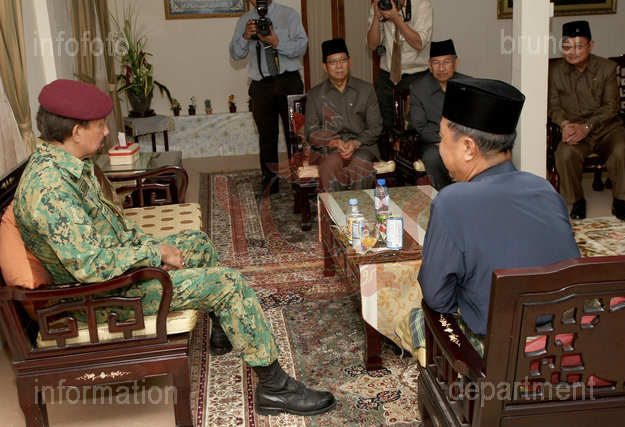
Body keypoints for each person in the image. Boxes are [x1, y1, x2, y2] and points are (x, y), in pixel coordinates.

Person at [13, 79, 336, 417]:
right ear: (76, 132)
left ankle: (223, 331)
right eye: (100, 125)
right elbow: (92, 266)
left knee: (197, 243)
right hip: (101, 297)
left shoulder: (69, 165)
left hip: (117, 274)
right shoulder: (51, 189)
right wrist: (155, 255)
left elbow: (112, 233)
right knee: (228, 283)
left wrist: (153, 248)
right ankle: (275, 388)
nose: (107, 132)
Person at [418, 77, 581, 354]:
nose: (439, 148)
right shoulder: (544, 188)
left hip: (503, 353)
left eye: (442, 139)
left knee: (418, 316)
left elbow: (437, 298)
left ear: (468, 148)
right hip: (568, 338)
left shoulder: (451, 202)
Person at [549, 20, 625, 221]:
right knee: (565, 154)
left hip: (607, 129)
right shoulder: (555, 71)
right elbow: (553, 106)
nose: (572, 51)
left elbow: (611, 107)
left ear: (591, 45)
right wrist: (565, 125)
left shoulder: (607, 68)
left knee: (622, 150)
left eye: (578, 46)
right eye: (567, 46)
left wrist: (587, 126)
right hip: (574, 130)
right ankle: (578, 201)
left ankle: (620, 201)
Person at [229, 0, 307, 197]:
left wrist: (276, 42)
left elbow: (302, 46)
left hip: (289, 81)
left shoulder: (288, 14)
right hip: (261, 85)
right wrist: (245, 37)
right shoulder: (245, 20)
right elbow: (235, 54)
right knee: (266, 138)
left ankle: (300, 181)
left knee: (296, 136)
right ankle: (269, 183)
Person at [305, 38, 383, 191]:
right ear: (324, 67)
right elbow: (311, 132)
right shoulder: (315, 95)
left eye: (342, 60)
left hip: (362, 147)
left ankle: (359, 205)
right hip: (328, 149)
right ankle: (335, 207)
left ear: (350, 62)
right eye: (333, 62)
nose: (339, 66)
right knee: (330, 164)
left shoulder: (366, 90)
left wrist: (355, 143)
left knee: (361, 164)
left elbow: (375, 126)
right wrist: (334, 142)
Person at [409, 39, 468, 190]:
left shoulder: (469, 85)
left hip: (464, 141)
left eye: (446, 62)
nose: (441, 68)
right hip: (433, 142)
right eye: (436, 63)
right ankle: (445, 195)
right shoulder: (418, 88)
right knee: (432, 157)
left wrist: (460, 143)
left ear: (456, 63)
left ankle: (471, 195)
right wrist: (444, 142)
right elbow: (418, 126)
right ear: (429, 65)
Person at [367, 0, 433, 132]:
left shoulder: (422, 5)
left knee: (415, 129)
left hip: (416, 77)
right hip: (387, 77)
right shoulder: (381, 4)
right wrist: (376, 18)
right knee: (385, 129)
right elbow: (373, 45)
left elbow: (419, 43)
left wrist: (396, 19)